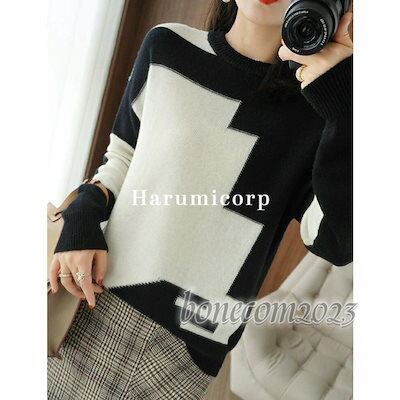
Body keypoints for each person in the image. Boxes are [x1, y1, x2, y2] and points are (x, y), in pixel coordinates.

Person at [48, 0, 353, 398]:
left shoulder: (318, 112)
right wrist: (82, 219)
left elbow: (335, 240)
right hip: (93, 300)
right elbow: (121, 158)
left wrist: (345, 112)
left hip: (185, 350)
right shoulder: (167, 47)